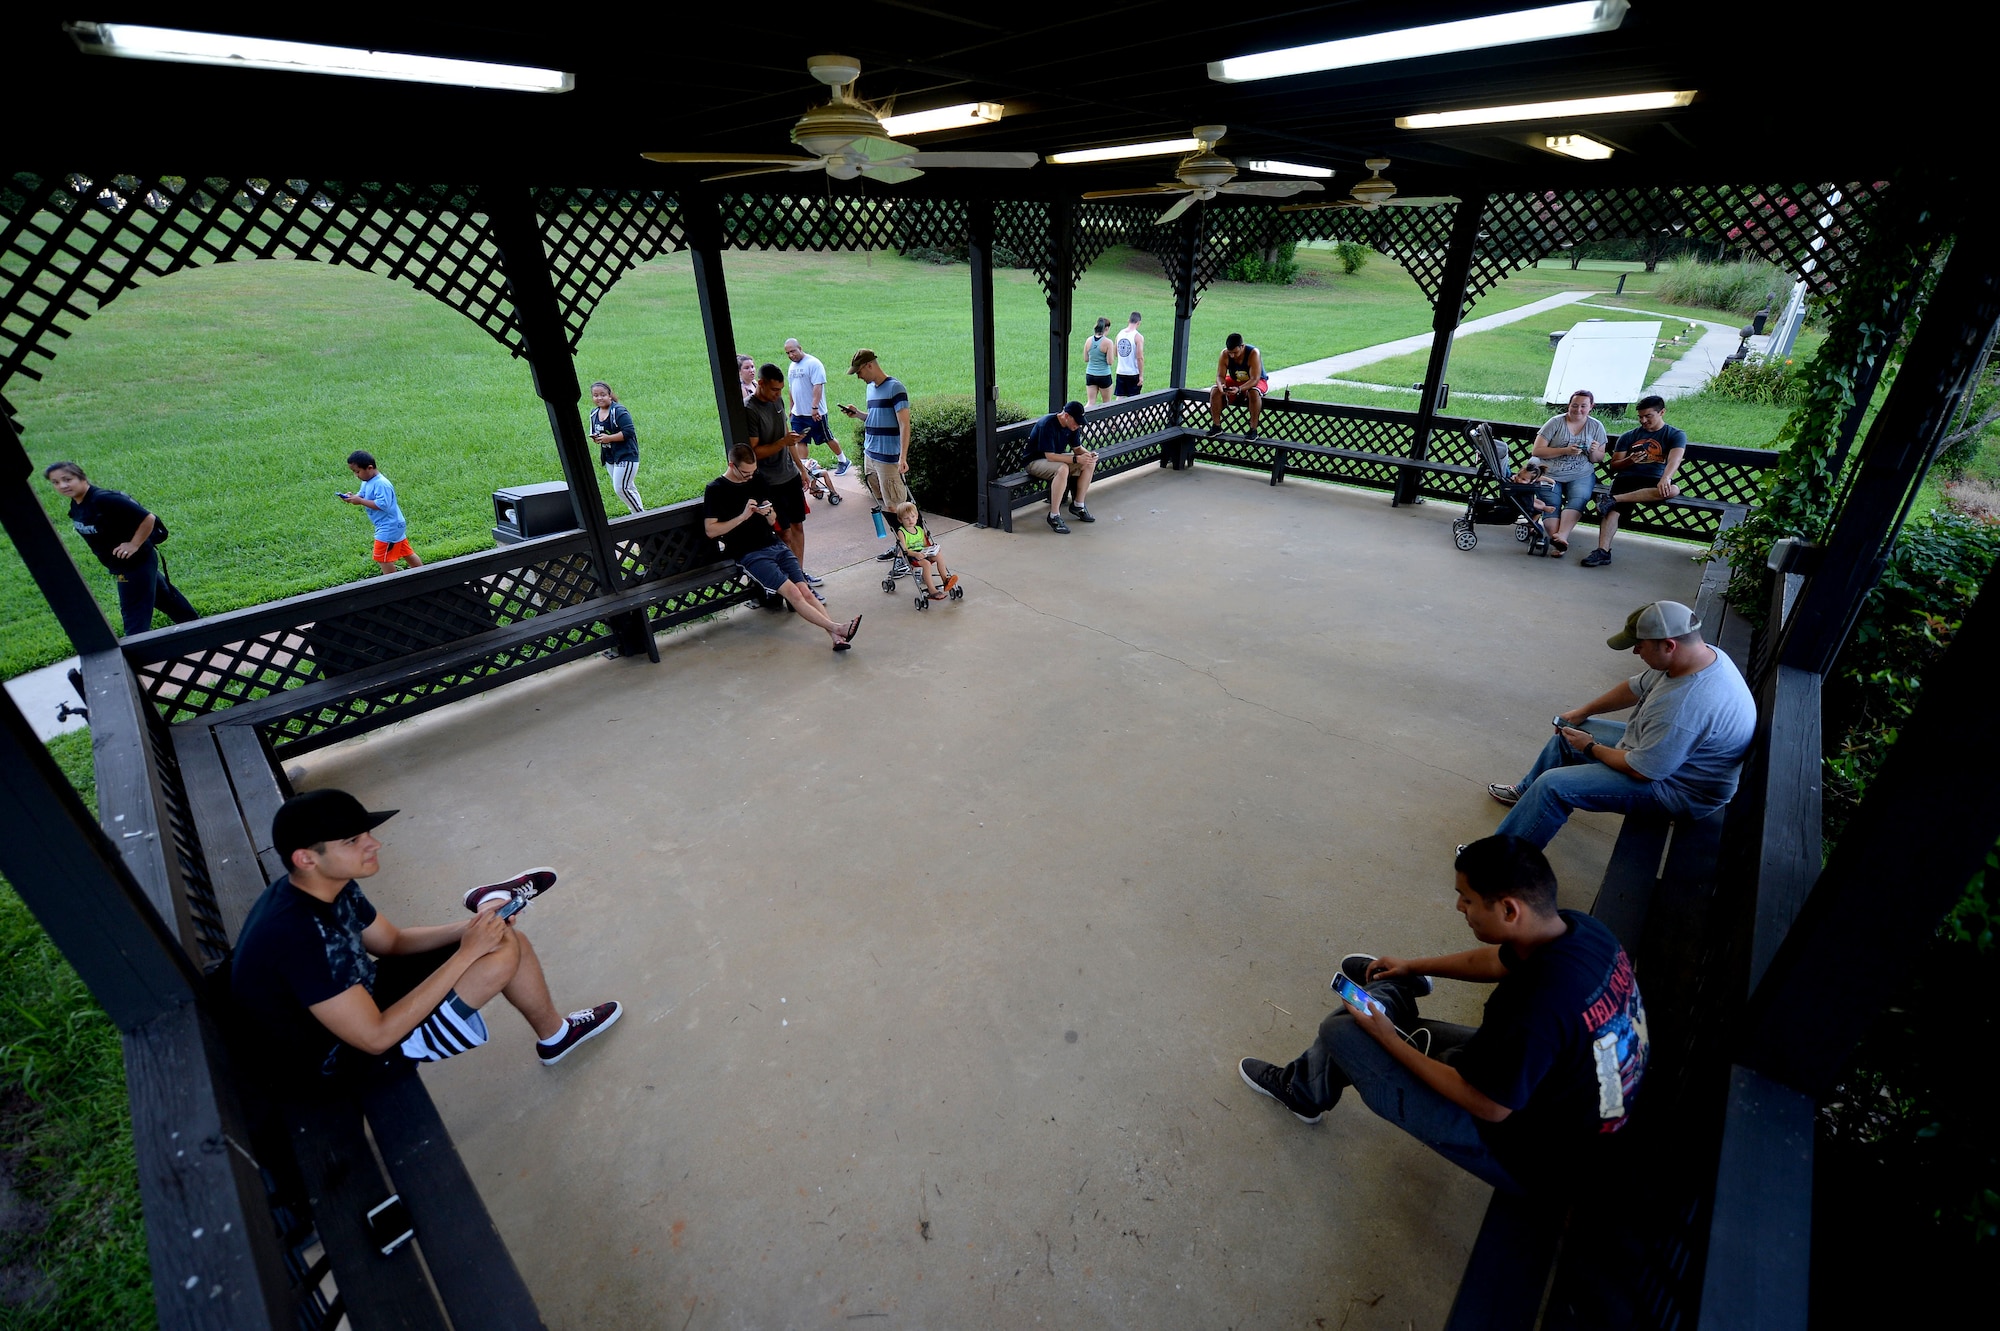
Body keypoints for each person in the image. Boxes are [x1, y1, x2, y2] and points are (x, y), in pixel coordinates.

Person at [1238, 836, 1648, 1197]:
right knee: (1385, 1016)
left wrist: (1388, 1039)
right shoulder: (1580, 930)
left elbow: (1489, 1106)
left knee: (1343, 1031)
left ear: (1509, 909)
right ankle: (1394, 994)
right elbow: (1493, 960)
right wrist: (1414, 966)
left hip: (1536, 1158)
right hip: (1566, 1099)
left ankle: (1310, 1085)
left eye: (1467, 899)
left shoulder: (1532, 1005)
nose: (1459, 907)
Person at [229, 788, 622, 1094]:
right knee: (498, 955)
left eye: (368, 833)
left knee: (500, 939)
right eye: (353, 840)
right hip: (332, 1067)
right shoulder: (299, 936)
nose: (374, 844)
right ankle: (547, 1034)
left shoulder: (326, 885)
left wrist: (475, 929)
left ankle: (556, 1036)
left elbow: (393, 942)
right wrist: (468, 953)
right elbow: (376, 1038)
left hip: (355, 1006)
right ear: (306, 858)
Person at [1488, 600, 1756, 848]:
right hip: (1664, 757)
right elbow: (1634, 687)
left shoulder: (1688, 705)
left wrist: (1590, 747)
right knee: (1569, 734)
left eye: (1639, 644)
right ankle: (1527, 797)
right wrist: (1583, 712)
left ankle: (1496, 866)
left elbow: (1643, 771)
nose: (1635, 650)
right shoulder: (1696, 657)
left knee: (1553, 786)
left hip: (1678, 789)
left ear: (1669, 645)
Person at [705, 443, 862, 651]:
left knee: (804, 589)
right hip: (749, 553)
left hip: (773, 543)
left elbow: (773, 521)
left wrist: (769, 514)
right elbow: (711, 530)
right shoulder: (716, 489)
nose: (749, 477)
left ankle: (836, 636)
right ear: (731, 465)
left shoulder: (758, 479)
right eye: (745, 473)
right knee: (794, 594)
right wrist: (743, 516)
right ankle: (838, 627)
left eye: (752, 472)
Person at [42, 460, 200, 636]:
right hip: (123, 563)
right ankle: (199, 628)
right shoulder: (78, 503)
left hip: (134, 563)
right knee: (166, 598)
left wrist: (134, 544)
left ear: (82, 477)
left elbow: (148, 518)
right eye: (55, 482)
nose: (62, 485)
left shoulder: (104, 499)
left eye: (67, 479)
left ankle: (138, 654)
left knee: (133, 613)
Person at [1582, 395, 1688, 568]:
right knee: (1612, 511)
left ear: (1662, 412)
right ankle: (1602, 551)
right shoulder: (1629, 436)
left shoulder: (1675, 435)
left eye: (1648, 416)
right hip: (1627, 478)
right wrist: (1630, 460)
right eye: (1640, 417)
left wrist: (1665, 478)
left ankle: (1613, 499)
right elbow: (1614, 466)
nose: (1643, 421)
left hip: (1654, 479)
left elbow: (1675, 460)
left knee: (1673, 489)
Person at [744, 363, 818, 581]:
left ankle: (800, 576)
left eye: (780, 390)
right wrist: (782, 442)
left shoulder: (778, 402)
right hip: (769, 482)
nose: (778, 395)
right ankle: (788, 580)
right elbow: (754, 452)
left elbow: (787, 437)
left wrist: (801, 468)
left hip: (789, 475)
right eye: (775, 390)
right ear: (762, 383)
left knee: (798, 527)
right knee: (783, 533)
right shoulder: (750, 410)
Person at [1532, 391, 1607, 557]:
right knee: (1551, 501)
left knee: (1579, 498)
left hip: (1581, 474)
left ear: (1591, 407)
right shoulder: (1555, 422)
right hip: (1550, 472)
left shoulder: (1596, 426)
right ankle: (1557, 540)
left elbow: (1598, 458)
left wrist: (1594, 451)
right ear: (1569, 405)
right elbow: (1537, 451)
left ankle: (1562, 537)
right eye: (1575, 405)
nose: (1578, 409)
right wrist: (1565, 450)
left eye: (1583, 406)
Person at [842, 348, 912, 517]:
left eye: (859, 372)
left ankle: (910, 542)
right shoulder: (871, 388)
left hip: (887, 458)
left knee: (897, 507)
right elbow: (877, 418)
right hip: (870, 456)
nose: (859, 376)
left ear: (869, 365)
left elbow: (904, 425)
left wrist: (902, 457)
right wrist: (858, 414)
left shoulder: (896, 388)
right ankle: (899, 541)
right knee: (884, 502)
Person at [339, 450, 422, 574]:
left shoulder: (381, 484)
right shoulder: (366, 482)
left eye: (357, 471)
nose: (356, 475)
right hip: (392, 524)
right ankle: (422, 574)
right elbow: (362, 495)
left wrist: (360, 501)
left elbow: (382, 505)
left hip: (389, 525)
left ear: (370, 468)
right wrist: (352, 497)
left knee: (382, 557)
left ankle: (393, 585)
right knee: (406, 552)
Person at [1025, 401, 1097, 534]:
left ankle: (1078, 506)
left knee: (1089, 462)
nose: (1078, 425)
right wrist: (1076, 459)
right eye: (1076, 421)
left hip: (1054, 459)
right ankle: (1054, 515)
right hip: (1034, 461)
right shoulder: (1048, 424)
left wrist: (1089, 455)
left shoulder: (1072, 427)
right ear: (1066, 416)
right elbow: (1050, 456)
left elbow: (1077, 448)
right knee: (1063, 468)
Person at [785, 338, 850, 475]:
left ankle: (843, 460)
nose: (791, 355)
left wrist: (814, 408)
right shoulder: (792, 367)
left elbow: (817, 386)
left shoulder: (813, 363)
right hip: (798, 413)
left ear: (800, 348)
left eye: (793, 351)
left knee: (827, 437)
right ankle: (804, 468)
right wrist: (791, 408)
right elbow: (792, 389)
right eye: (788, 353)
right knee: (800, 439)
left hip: (815, 412)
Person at [588, 380, 643, 515]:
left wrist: (608, 438)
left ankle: (640, 515)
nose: (599, 398)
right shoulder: (594, 414)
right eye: (595, 395)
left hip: (626, 455)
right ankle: (639, 515)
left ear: (610, 395)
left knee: (621, 488)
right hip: (610, 457)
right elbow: (595, 431)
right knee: (629, 487)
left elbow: (629, 432)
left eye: (603, 395)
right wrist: (597, 438)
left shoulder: (618, 411)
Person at [891, 501, 958, 602]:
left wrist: (933, 549)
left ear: (917, 516)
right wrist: (915, 554)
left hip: (923, 552)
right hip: (911, 555)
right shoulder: (901, 532)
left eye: (913, 516)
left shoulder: (920, 529)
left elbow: (925, 545)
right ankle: (932, 590)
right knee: (926, 564)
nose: (910, 520)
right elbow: (904, 549)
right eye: (906, 518)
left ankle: (945, 580)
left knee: (939, 556)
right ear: (900, 520)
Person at [1208, 333, 1267, 438]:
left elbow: (1255, 379)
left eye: (1235, 352)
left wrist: (1240, 389)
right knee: (1215, 390)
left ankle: (1253, 430)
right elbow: (1220, 376)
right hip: (1236, 380)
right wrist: (1221, 386)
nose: (1232, 356)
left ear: (1242, 346)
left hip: (1255, 381)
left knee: (1253, 392)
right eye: (1230, 353)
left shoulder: (1253, 353)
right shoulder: (1224, 354)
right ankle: (1216, 426)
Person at [1081, 316, 1116, 408]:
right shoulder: (1108, 342)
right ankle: (1107, 422)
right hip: (1104, 375)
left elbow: (1086, 359)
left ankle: (1085, 420)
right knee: (1107, 403)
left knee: (1091, 402)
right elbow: (1110, 361)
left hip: (1090, 374)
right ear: (1106, 328)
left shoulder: (1088, 340)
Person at [1113, 312, 1145, 400]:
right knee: (1134, 399)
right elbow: (1140, 357)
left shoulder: (1119, 334)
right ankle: (1135, 414)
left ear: (1128, 321)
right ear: (1138, 323)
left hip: (1120, 371)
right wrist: (1141, 375)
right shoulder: (1138, 337)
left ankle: (1117, 414)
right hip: (1133, 372)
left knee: (1119, 397)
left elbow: (1115, 352)